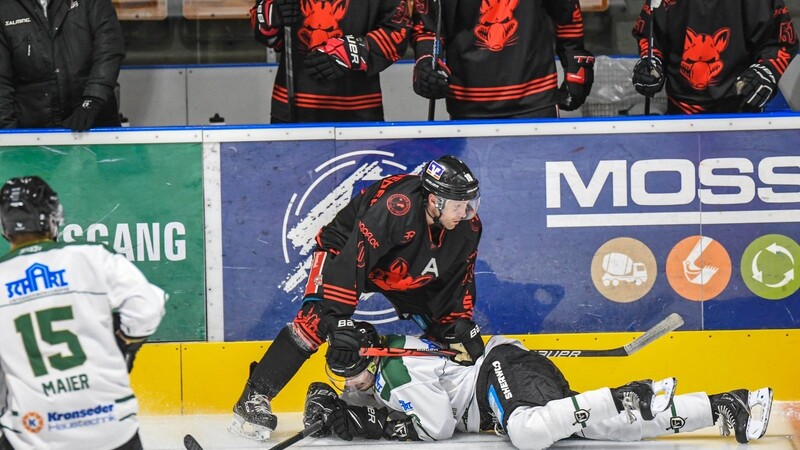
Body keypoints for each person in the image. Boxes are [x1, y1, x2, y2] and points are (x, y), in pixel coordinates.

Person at [229, 155, 485, 441]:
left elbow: (457, 280)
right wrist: (335, 319)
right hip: (344, 252)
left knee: (446, 332)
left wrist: (457, 323)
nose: (465, 213)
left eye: (469, 204)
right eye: (458, 205)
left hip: (401, 267)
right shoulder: (397, 208)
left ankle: (437, 402)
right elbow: (354, 258)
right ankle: (253, 398)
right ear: (435, 200)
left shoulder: (466, 229)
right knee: (316, 320)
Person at [303, 322, 775, 449]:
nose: (350, 382)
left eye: (351, 373)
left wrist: (380, 426)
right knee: (613, 431)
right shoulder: (389, 355)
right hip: (509, 380)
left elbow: (439, 428)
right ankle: (727, 406)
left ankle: (629, 392)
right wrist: (355, 408)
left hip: (502, 374)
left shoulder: (400, 372)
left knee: (528, 434)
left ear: (372, 359)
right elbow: (368, 398)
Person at [0, 176, 167, 450]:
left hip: (34, 434)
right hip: (112, 429)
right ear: (52, 218)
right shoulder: (91, 256)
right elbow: (147, 307)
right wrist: (126, 341)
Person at [410, 0, 595, 119]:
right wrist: (427, 63)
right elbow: (429, 28)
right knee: (473, 179)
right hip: (469, 104)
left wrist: (576, 64)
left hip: (535, 99)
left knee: (536, 177)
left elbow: (567, 15)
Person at [249, 0, 411, 122]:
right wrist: (271, 15)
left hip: (359, 108)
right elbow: (266, 34)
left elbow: (398, 30)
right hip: (292, 109)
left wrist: (350, 51)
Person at [631, 0, 798, 115]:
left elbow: (779, 42)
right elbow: (651, 37)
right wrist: (651, 63)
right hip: (682, 111)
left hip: (741, 110)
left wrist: (767, 70)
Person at [0, 0, 125, 131]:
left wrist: (93, 100)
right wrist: (9, 134)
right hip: (34, 132)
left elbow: (110, 48)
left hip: (95, 123)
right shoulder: (4, 7)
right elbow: (2, 82)